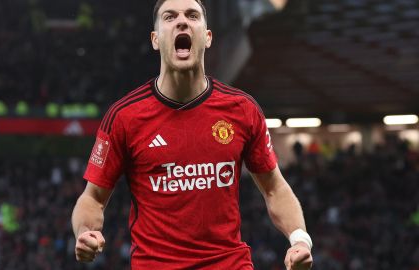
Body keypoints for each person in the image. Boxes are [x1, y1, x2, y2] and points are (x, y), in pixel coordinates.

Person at [71, 0, 313, 269]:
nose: (182, 21)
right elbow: (93, 197)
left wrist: (300, 240)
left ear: (207, 37)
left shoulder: (242, 109)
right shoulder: (124, 117)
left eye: (192, 15)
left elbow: (274, 188)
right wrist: (85, 232)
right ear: (155, 39)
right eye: (170, 17)